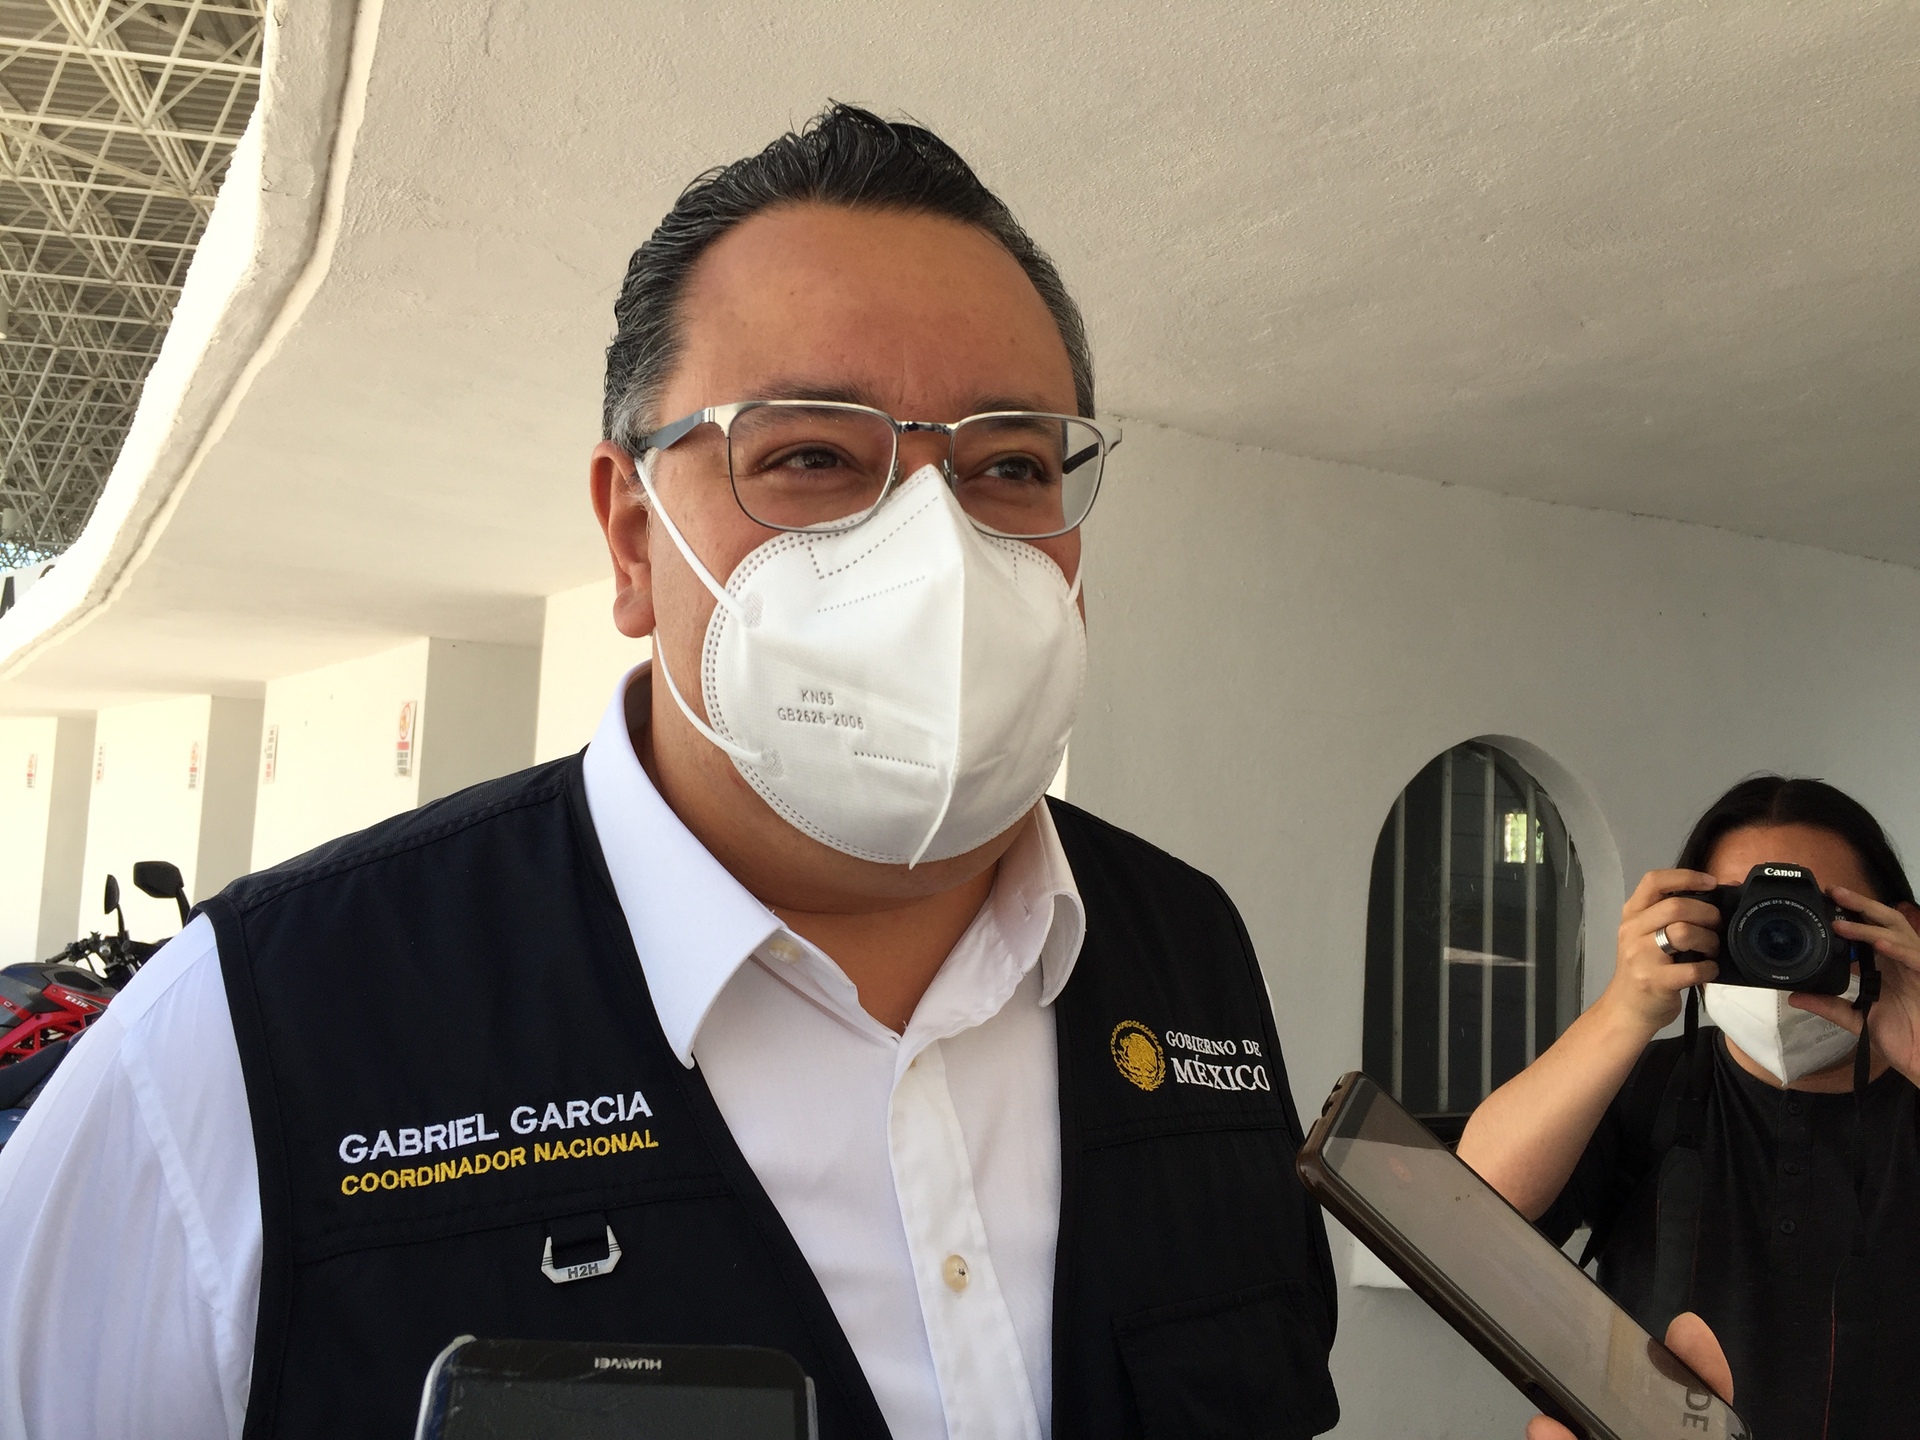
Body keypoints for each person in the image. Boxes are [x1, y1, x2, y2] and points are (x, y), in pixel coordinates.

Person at [0, 106, 1343, 1439]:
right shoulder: (249, 1045)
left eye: (1009, 464)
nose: (937, 554)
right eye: (811, 457)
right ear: (633, 536)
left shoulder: (1190, 955)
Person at [1459, 776, 1920, 1439]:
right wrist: (1624, 1009)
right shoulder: (1646, 1083)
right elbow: (1470, 1206)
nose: (1778, 941)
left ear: (1897, 928)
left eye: (1814, 915)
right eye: (1742, 915)